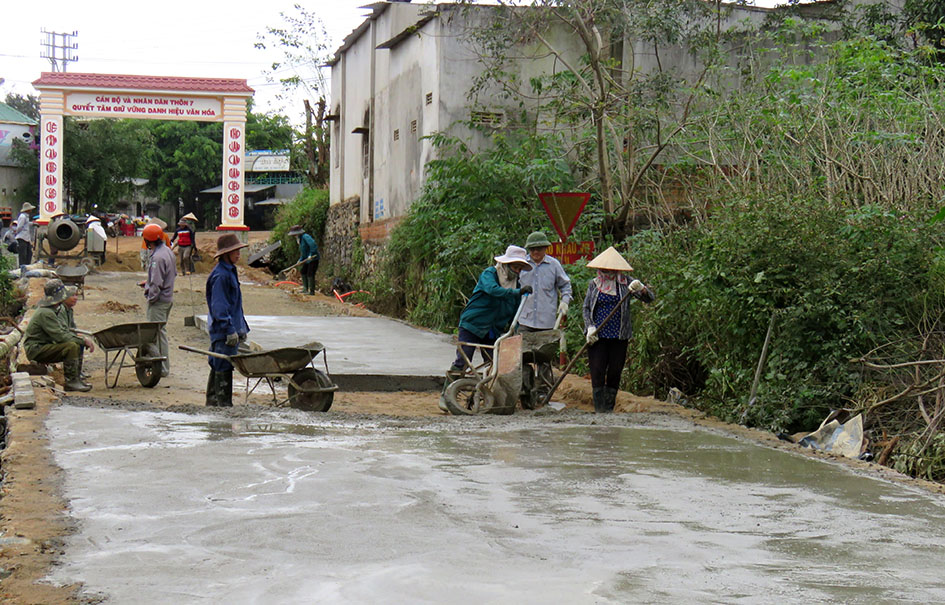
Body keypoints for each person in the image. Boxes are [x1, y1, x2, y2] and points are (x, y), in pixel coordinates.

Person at [582, 246, 655, 413]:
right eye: (604, 268)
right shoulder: (594, 285)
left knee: (615, 371)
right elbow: (586, 308)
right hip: (598, 336)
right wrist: (589, 327)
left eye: (611, 268)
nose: (607, 271)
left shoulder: (626, 283)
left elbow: (649, 298)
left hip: (619, 335)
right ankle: (600, 409)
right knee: (598, 370)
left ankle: (609, 408)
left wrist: (641, 288)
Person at [449, 245, 533, 374]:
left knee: (495, 363)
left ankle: (490, 391)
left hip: (491, 330)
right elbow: (492, 290)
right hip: (473, 323)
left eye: (520, 269)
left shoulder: (516, 286)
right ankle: (448, 392)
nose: (517, 271)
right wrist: (517, 292)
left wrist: (515, 331)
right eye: (515, 267)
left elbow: (514, 314)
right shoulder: (490, 274)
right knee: (463, 361)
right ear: (506, 264)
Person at [517, 231, 572, 400]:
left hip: (546, 321)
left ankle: (542, 393)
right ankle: (524, 390)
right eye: (533, 249)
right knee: (523, 357)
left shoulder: (554, 265)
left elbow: (566, 287)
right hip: (524, 318)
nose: (536, 253)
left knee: (544, 359)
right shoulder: (522, 265)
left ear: (545, 249)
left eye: (539, 249)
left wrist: (565, 302)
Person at [23, 279, 94, 392]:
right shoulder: (47, 313)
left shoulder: (51, 310)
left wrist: (79, 339)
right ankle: (71, 382)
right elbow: (60, 336)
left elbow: (62, 332)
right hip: (36, 349)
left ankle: (76, 378)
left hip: (41, 347)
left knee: (74, 343)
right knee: (71, 346)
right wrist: (83, 341)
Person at [205, 233, 250, 407]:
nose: (238, 254)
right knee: (221, 365)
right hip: (222, 331)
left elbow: (235, 304)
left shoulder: (230, 271)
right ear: (226, 254)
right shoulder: (221, 276)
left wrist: (241, 329)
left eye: (238, 250)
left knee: (221, 365)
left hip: (230, 329)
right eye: (235, 251)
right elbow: (219, 307)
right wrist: (229, 329)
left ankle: (215, 403)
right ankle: (221, 406)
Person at [141, 223, 176, 378]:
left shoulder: (157, 257)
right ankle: (161, 366)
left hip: (159, 301)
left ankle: (161, 368)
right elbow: (171, 274)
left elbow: (156, 283)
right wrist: (147, 283)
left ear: (148, 241)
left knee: (157, 334)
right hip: (168, 298)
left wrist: (151, 296)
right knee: (160, 333)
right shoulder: (168, 251)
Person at [288, 224, 319, 295]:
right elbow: (303, 252)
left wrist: (311, 254)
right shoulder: (300, 240)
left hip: (313, 259)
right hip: (307, 259)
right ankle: (305, 288)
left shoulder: (305, 237)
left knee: (310, 273)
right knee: (303, 271)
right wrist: (300, 260)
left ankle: (311, 291)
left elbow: (313, 245)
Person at [13, 202, 34, 269]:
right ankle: (22, 268)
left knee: (29, 254)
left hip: (26, 237)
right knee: (23, 255)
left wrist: (33, 224)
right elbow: (19, 227)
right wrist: (17, 233)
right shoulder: (22, 217)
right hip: (22, 237)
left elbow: (26, 224)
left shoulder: (26, 217)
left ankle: (26, 267)